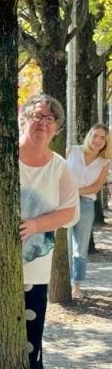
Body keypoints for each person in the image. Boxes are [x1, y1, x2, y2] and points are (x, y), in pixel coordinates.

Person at [0, 94, 79, 369]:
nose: (43, 122)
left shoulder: (59, 167)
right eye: (36, 115)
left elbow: (70, 212)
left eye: (50, 118)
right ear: (22, 120)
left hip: (36, 261)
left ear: (56, 128)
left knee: (33, 320)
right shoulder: (0, 155)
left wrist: (35, 225)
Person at [66, 124, 111, 298]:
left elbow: (96, 187)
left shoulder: (104, 162)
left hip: (85, 204)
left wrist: (75, 191)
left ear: (106, 142)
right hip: (63, 202)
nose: (98, 140)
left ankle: (76, 285)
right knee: (61, 243)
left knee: (81, 246)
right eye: (95, 135)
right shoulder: (72, 151)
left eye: (103, 138)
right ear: (89, 135)